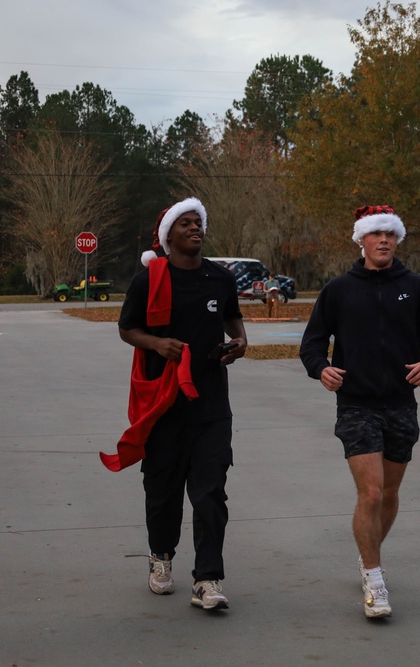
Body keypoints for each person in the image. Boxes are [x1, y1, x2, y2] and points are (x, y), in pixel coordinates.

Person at [299, 205, 420, 619]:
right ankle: (374, 577)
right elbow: (312, 345)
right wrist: (322, 369)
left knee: (389, 494)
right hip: (356, 404)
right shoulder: (339, 290)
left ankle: (367, 553)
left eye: (391, 234)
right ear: (362, 241)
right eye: (377, 234)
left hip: (401, 405)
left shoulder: (418, 287)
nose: (384, 241)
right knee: (370, 492)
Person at [117, 196, 247, 612]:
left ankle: (208, 579)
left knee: (210, 493)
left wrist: (240, 343)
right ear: (168, 235)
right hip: (163, 403)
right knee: (162, 492)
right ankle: (161, 556)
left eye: (198, 223)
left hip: (210, 404)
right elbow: (127, 328)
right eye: (186, 223)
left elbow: (232, 318)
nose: (195, 228)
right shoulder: (148, 279)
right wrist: (157, 343)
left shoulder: (220, 278)